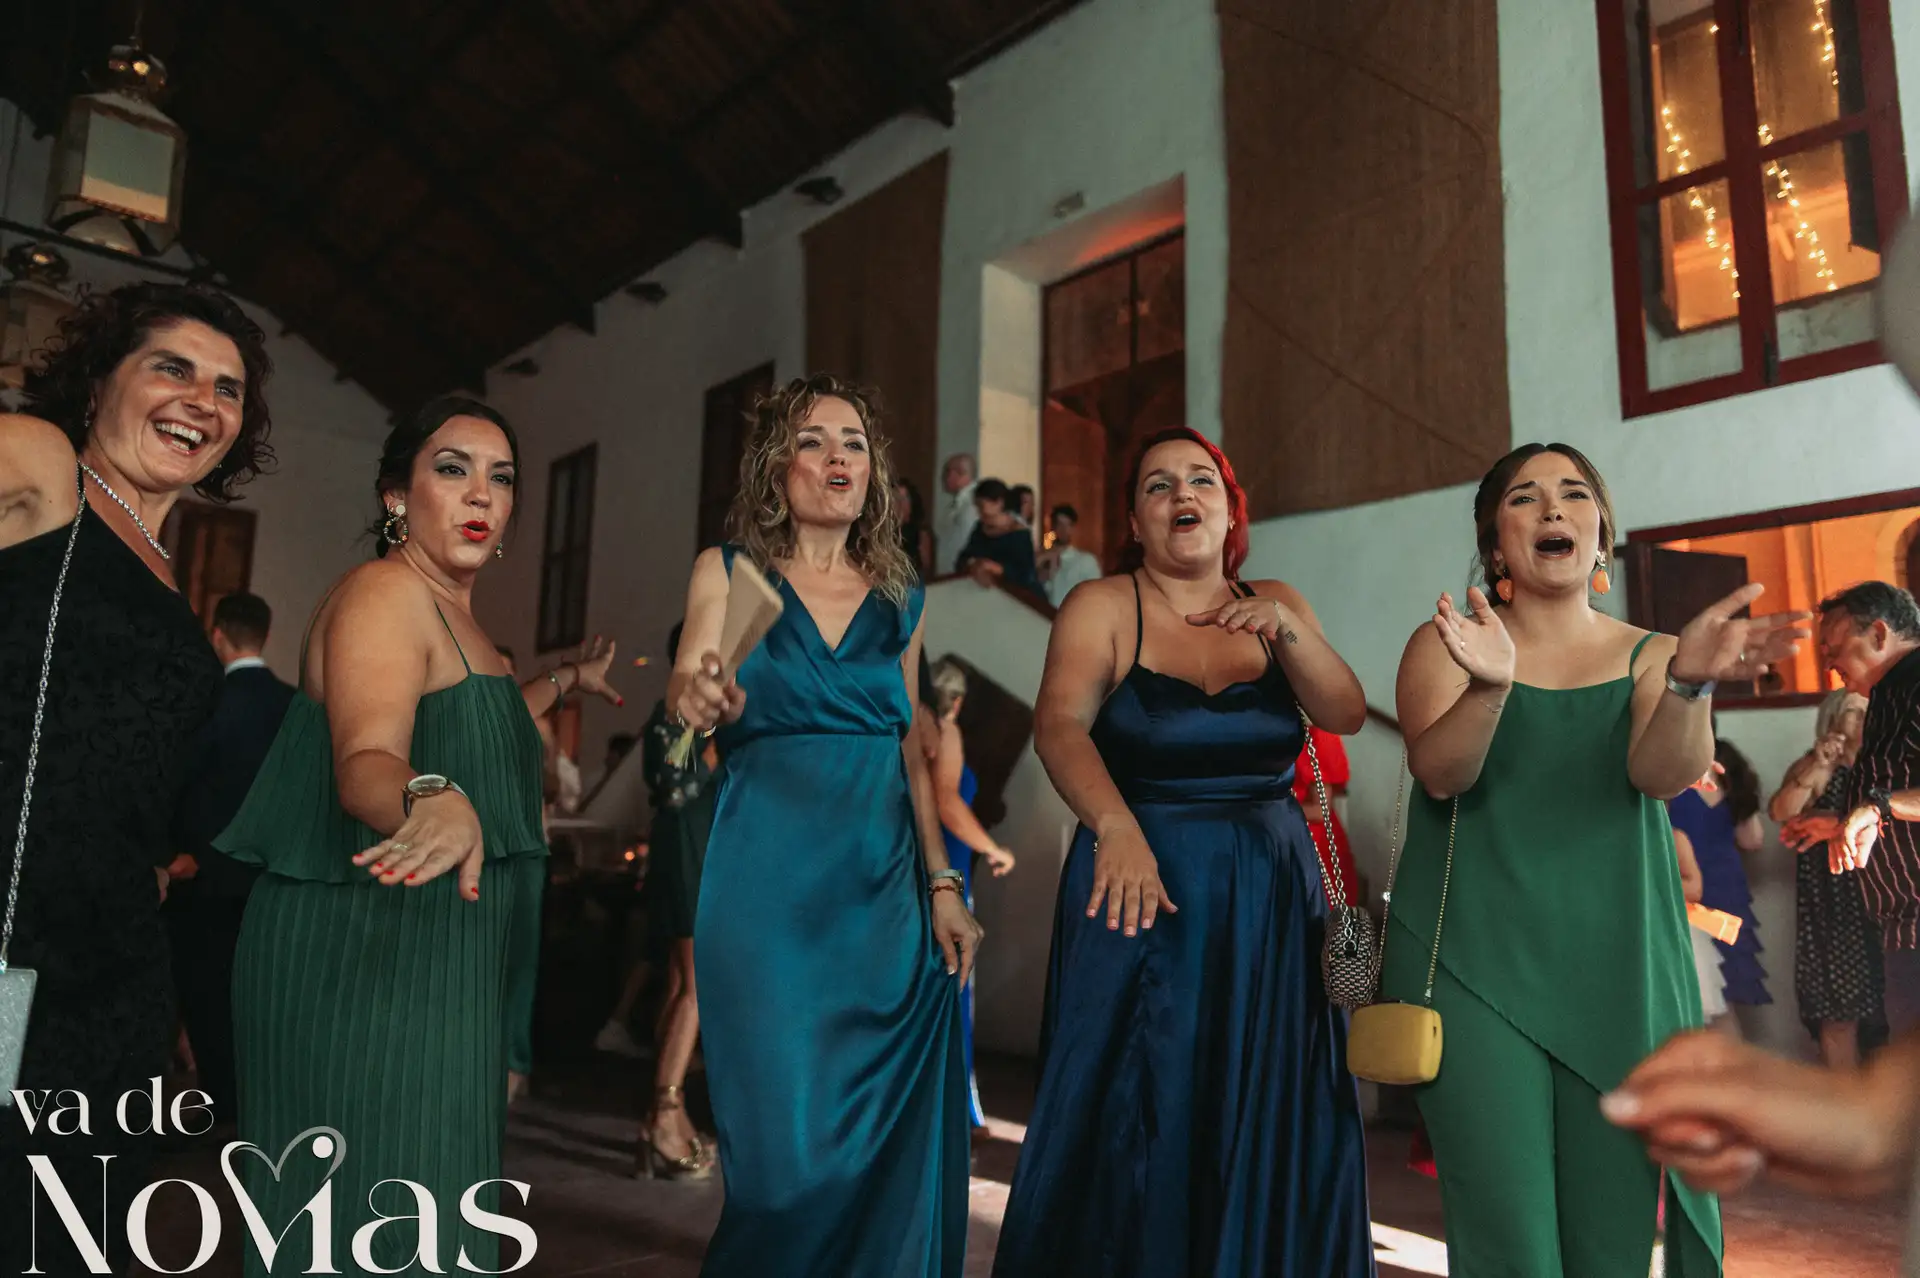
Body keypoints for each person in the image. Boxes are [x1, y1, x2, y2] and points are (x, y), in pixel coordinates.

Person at [215, 397, 622, 1275]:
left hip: (443, 959)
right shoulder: (385, 594)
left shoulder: (454, 617)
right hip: (363, 958)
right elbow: (367, 759)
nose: (481, 493)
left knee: (428, 1212)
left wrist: (565, 681)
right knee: (374, 1222)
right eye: (453, 468)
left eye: (501, 478)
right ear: (396, 495)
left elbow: (475, 718)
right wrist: (430, 794)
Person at [1383, 441, 1805, 1277]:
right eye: (1524, 497)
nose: (1553, 508)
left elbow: (1663, 773)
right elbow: (1441, 772)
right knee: (1507, 1229)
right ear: (1495, 545)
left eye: (1575, 494)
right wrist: (1491, 687)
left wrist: (1689, 683)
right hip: (1471, 964)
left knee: (1612, 1231)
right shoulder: (1448, 642)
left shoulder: (1652, 654)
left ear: (1601, 537)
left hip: (1618, 970)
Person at [992, 426, 1373, 1278]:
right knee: (1135, 1103)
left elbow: (1344, 712)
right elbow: (1058, 725)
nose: (1181, 495)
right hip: (1139, 883)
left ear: (1230, 511)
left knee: (1269, 1101)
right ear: (1135, 520)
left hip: (1270, 895)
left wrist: (1288, 629)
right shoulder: (1101, 604)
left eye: (1201, 480)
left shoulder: (1276, 599)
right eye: (1158, 485)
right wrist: (1116, 826)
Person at [671, 373, 981, 1277]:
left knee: (880, 1147)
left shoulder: (902, 595)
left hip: (882, 895)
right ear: (778, 466)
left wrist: (942, 883)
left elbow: (909, 748)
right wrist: (697, 693)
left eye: (854, 442)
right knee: (781, 1159)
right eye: (813, 440)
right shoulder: (728, 571)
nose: (838, 456)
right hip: (766, 889)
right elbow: (690, 677)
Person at [0, 281, 271, 1273]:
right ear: (96, 383)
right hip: (12, 943)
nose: (205, 399)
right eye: (173, 368)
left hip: (115, 972)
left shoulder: (164, 563)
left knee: (70, 1238)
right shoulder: (43, 465)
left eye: (228, 388)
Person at [168, 591, 295, 1121]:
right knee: (264, 994)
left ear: (217, 634)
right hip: (276, 875)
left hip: (208, 874)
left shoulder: (209, 701)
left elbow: (180, 781)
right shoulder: (295, 706)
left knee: (205, 990)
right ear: (265, 635)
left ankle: (218, 1101)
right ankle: (260, 1103)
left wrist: (175, 851)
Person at [1778, 583, 1920, 1035]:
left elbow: (1891, 800)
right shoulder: (1886, 695)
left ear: (1878, 633)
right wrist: (1842, 823)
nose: (1828, 664)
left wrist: (1878, 807)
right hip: (1902, 925)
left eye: (1834, 649)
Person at [917, 653, 1017, 1131]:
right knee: (955, 982)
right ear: (956, 701)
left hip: (921, 868)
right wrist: (994, 849)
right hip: (948, 869)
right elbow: (948, 802)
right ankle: (953, 1106)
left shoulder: (913, 732)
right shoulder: (946, 732)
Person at [635, 621, 718, 1179]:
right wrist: (717, 752)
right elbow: (675, 783)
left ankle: (663, 1112)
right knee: (695, 988)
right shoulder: (682, 712)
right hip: (688, 848)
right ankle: (664, 1118)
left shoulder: (694, 713)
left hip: (690, 848)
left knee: (678, 983)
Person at [1772, 688, 1885, 1068]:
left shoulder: (1889, 764)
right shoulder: (1817, 766)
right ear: (1833, 719)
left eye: (1869, 710)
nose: (1864, 718)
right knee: (1838, 1012)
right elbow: (1781, 812)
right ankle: (1845, 1097)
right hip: (1833, 901)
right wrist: (1818, 766)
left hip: (1884, 895)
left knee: (1894, 1005)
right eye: (1854, 711)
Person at [1668, 734, 1770, 1031]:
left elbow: (1753, 841)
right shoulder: (1725, 766)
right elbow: (1752, 840)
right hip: (1718, 886)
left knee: (1705, 996)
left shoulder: (1668, 773)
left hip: (1687, 887)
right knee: (1715, 994)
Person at [957, 478, 1040, 595]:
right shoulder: (980, 528)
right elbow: (963, 558)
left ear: (999, 503)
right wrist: (973, 564)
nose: (979, 513)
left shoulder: (1020, 534)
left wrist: (997, 568)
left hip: (1014, 596)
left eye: (982, 506)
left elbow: (1025, 575)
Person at [1036, 503, 1102, 607]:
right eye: (1059, 524)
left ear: (1073, 528)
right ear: (1053, 527)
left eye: (1067, 525)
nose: (1063, 530)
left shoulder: (1087, 561)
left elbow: (1096, 596)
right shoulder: (1045, 560)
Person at [935, 452, 978, 574]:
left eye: (946, 472)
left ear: (959, 473)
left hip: (963, 575)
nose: (942, 477)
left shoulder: (973, 505)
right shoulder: (955, 504)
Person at [896, 476, 934, 577]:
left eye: (904, 499)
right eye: (896, 499)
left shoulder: (921, 533)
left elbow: (926, 568)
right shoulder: (883, 532)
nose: (900, 504)